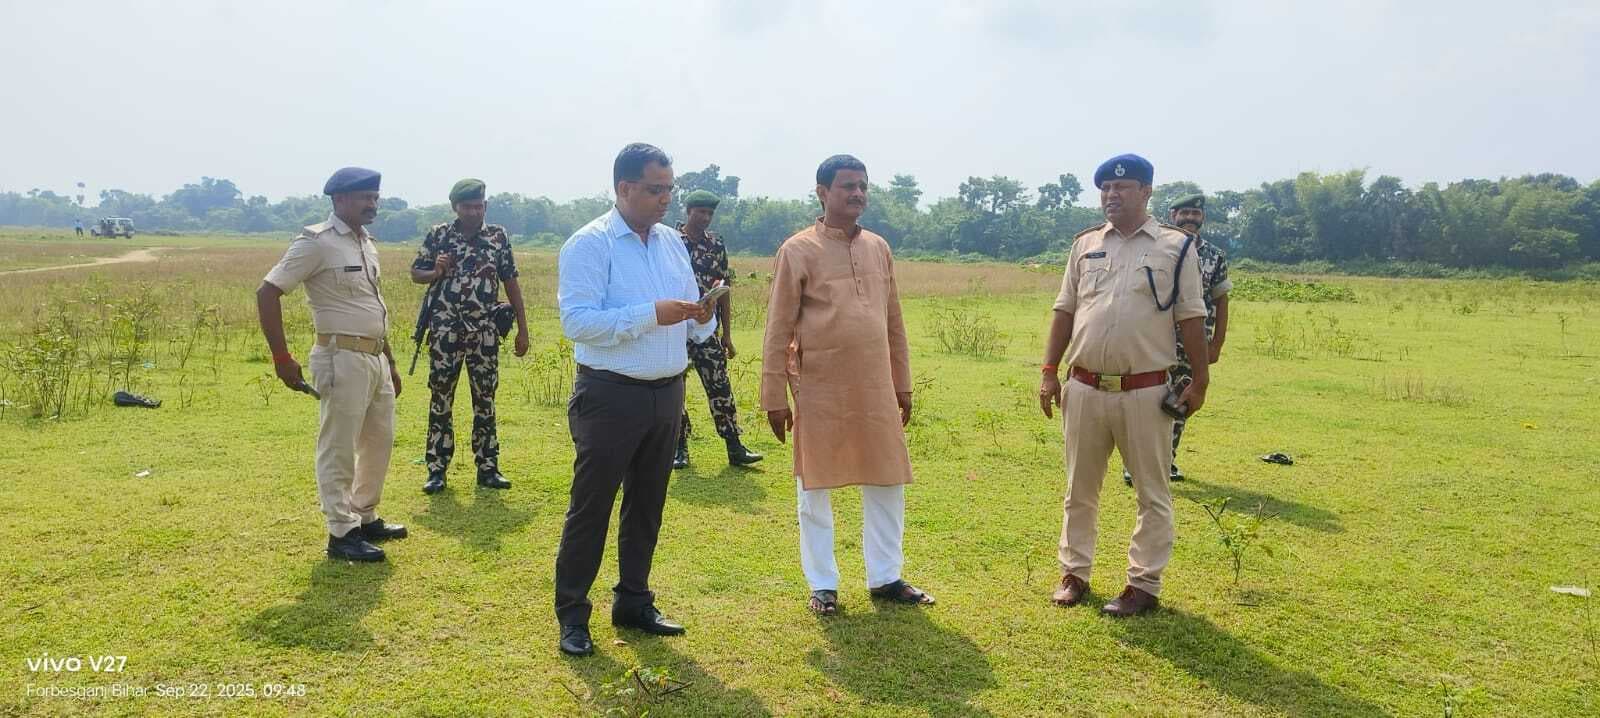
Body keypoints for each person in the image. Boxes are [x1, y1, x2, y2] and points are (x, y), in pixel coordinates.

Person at [553, 143, 714, 657]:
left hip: (667, 392)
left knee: (647, 505)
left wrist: (702, 315)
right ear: (624, 188)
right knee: (592, 507)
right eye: (654, 189)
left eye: (669, 188)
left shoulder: (671, 242)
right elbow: (577, 322)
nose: (666, 198)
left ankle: (634, 601)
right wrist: (651, 314)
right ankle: (573, 615)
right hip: (610, 394)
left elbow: (688, 320)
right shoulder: (590, 243)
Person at [761, 154, 934, 617]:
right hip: (818, 385)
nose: (857, 194)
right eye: (847, 186)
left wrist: (902, 383)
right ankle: (823, 584)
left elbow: (893, 321)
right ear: (822, 192)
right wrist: (773, 396)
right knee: (813, 487)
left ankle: (886, 577)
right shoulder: (797, 250)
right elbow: (778, 328)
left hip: (876, 385)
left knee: (887, 478)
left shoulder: (878, 247)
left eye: (862, 186)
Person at [1038, 154, 1210, 617]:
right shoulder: (1086, 244)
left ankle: (1143, 584)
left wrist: (1200, 379)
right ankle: (1074, 573)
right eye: (1106, 189)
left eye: (1123, 187)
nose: (1112, 195)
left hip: (1145, 391)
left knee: (1152, 492)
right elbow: (1065, 310)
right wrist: (1049, 370)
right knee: (1079, 489)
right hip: (1084, 387)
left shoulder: (1176, 247)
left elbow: (1192, 317)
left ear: (1146, 191)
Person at [255, 167, 406, 563]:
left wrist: (390, 361)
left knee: (378, 440)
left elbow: (372, 306)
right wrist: (281, 357)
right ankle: (341, 531)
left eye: (375, 197)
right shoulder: (316, 243)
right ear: (340, 200)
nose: (373, 204)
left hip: (374, 357)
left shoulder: (366, 243)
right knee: (338, 445)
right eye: (365, 197)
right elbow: (267, 292)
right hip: (341, 358)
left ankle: (364, 515)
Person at [411, 179, 529, 495]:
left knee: (485, 399)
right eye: (467, 207)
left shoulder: (498, 236)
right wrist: (435, 271)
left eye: (479, 206)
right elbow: (416, 273)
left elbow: (511, 281)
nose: (474, 212)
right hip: (445, 331)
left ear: (485, 206)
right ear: (455, 207)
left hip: (485, 332)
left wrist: (523, 328)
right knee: (440, 399)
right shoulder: (439, 235)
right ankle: (436, 470)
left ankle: (488, 468)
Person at [1123, 193, 1231, 485]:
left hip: (1193, 345)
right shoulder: (1156, 248)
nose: (1190, 218)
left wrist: (1216, 344)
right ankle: (1135, 464)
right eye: (1184, 213)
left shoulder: (1214, 256)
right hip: (1155, 340)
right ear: (1173, 215)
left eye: (1195, 214)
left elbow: (1221, 301)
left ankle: (1166, 461)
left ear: (1202, 217)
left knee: (1181, 401)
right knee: (1146, 400)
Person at [673, 189, 762, 470]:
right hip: (675, 328)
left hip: (707, 329)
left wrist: (727, 335)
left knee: (720, 385)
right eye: (701, 212)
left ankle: (734, 446)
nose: (706, 217)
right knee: (675, 389)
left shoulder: (716, 244)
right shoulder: (670, 242)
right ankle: (679, 447)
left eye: (710, 213)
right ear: (688, 211)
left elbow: (723, 290)